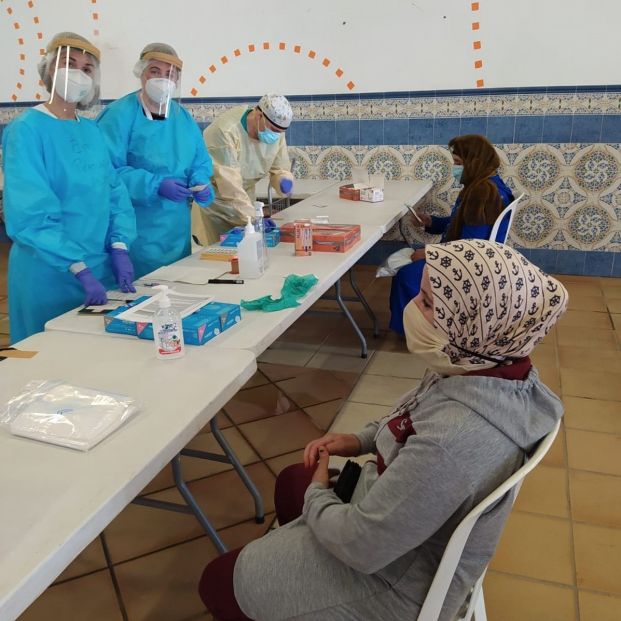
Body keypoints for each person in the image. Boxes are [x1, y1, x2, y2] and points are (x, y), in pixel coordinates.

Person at [198, 239, 568, 621]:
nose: (412, 308)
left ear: (472, 326)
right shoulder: (488, 370)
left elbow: (363, 546)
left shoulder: (452, 440)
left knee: (218, 581)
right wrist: (359, 439)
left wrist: (318, 495)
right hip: (400, 532)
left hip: (395, 582)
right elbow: (411, 417)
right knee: (293, 479)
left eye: (426, 302)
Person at [1, 33, 137, 343]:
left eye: (87, 68)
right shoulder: (26, 130)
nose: (78, 73)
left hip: (98, 266)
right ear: (48, 70)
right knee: (46, 362)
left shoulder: (91, 130)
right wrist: (76, 266)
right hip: (50, 271)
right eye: (68, 63)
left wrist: (119, 246)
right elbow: (30, 213)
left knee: (91, 362)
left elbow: (114, 193)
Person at [97, 43, 214, 278]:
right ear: (141, 73)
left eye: (170, 74)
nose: (163, 79)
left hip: (176, 232)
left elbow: (199, 160)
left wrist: (201, 181)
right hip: (134, 231)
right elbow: (105, 172)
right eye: (154, 71)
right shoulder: (119, 115)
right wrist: (154, 185)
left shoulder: (182, 118)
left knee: (175, 291)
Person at [390, 134, 514, 334]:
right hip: (473, 256)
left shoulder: (483, 194)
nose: (455, 168)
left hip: (471, 264)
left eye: (458, 163)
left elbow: (471, 246)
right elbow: (463, 224)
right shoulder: (487, 185)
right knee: (408, 266)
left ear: (474, 162)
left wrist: (430, 254)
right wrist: (431, 222)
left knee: (407, 275)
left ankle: (418, 333)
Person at [192, 94, 294, 245]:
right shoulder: (225, 132)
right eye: (274, 130)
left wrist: (283, 180)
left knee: (247, 255)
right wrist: (254, 218)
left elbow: (279, 168)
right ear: (259, 115)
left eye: (280, 132)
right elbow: (230, 187)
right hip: (216, 208)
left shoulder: (276, 132)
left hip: (245, 203)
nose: (276, 135)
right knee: (218, 258)